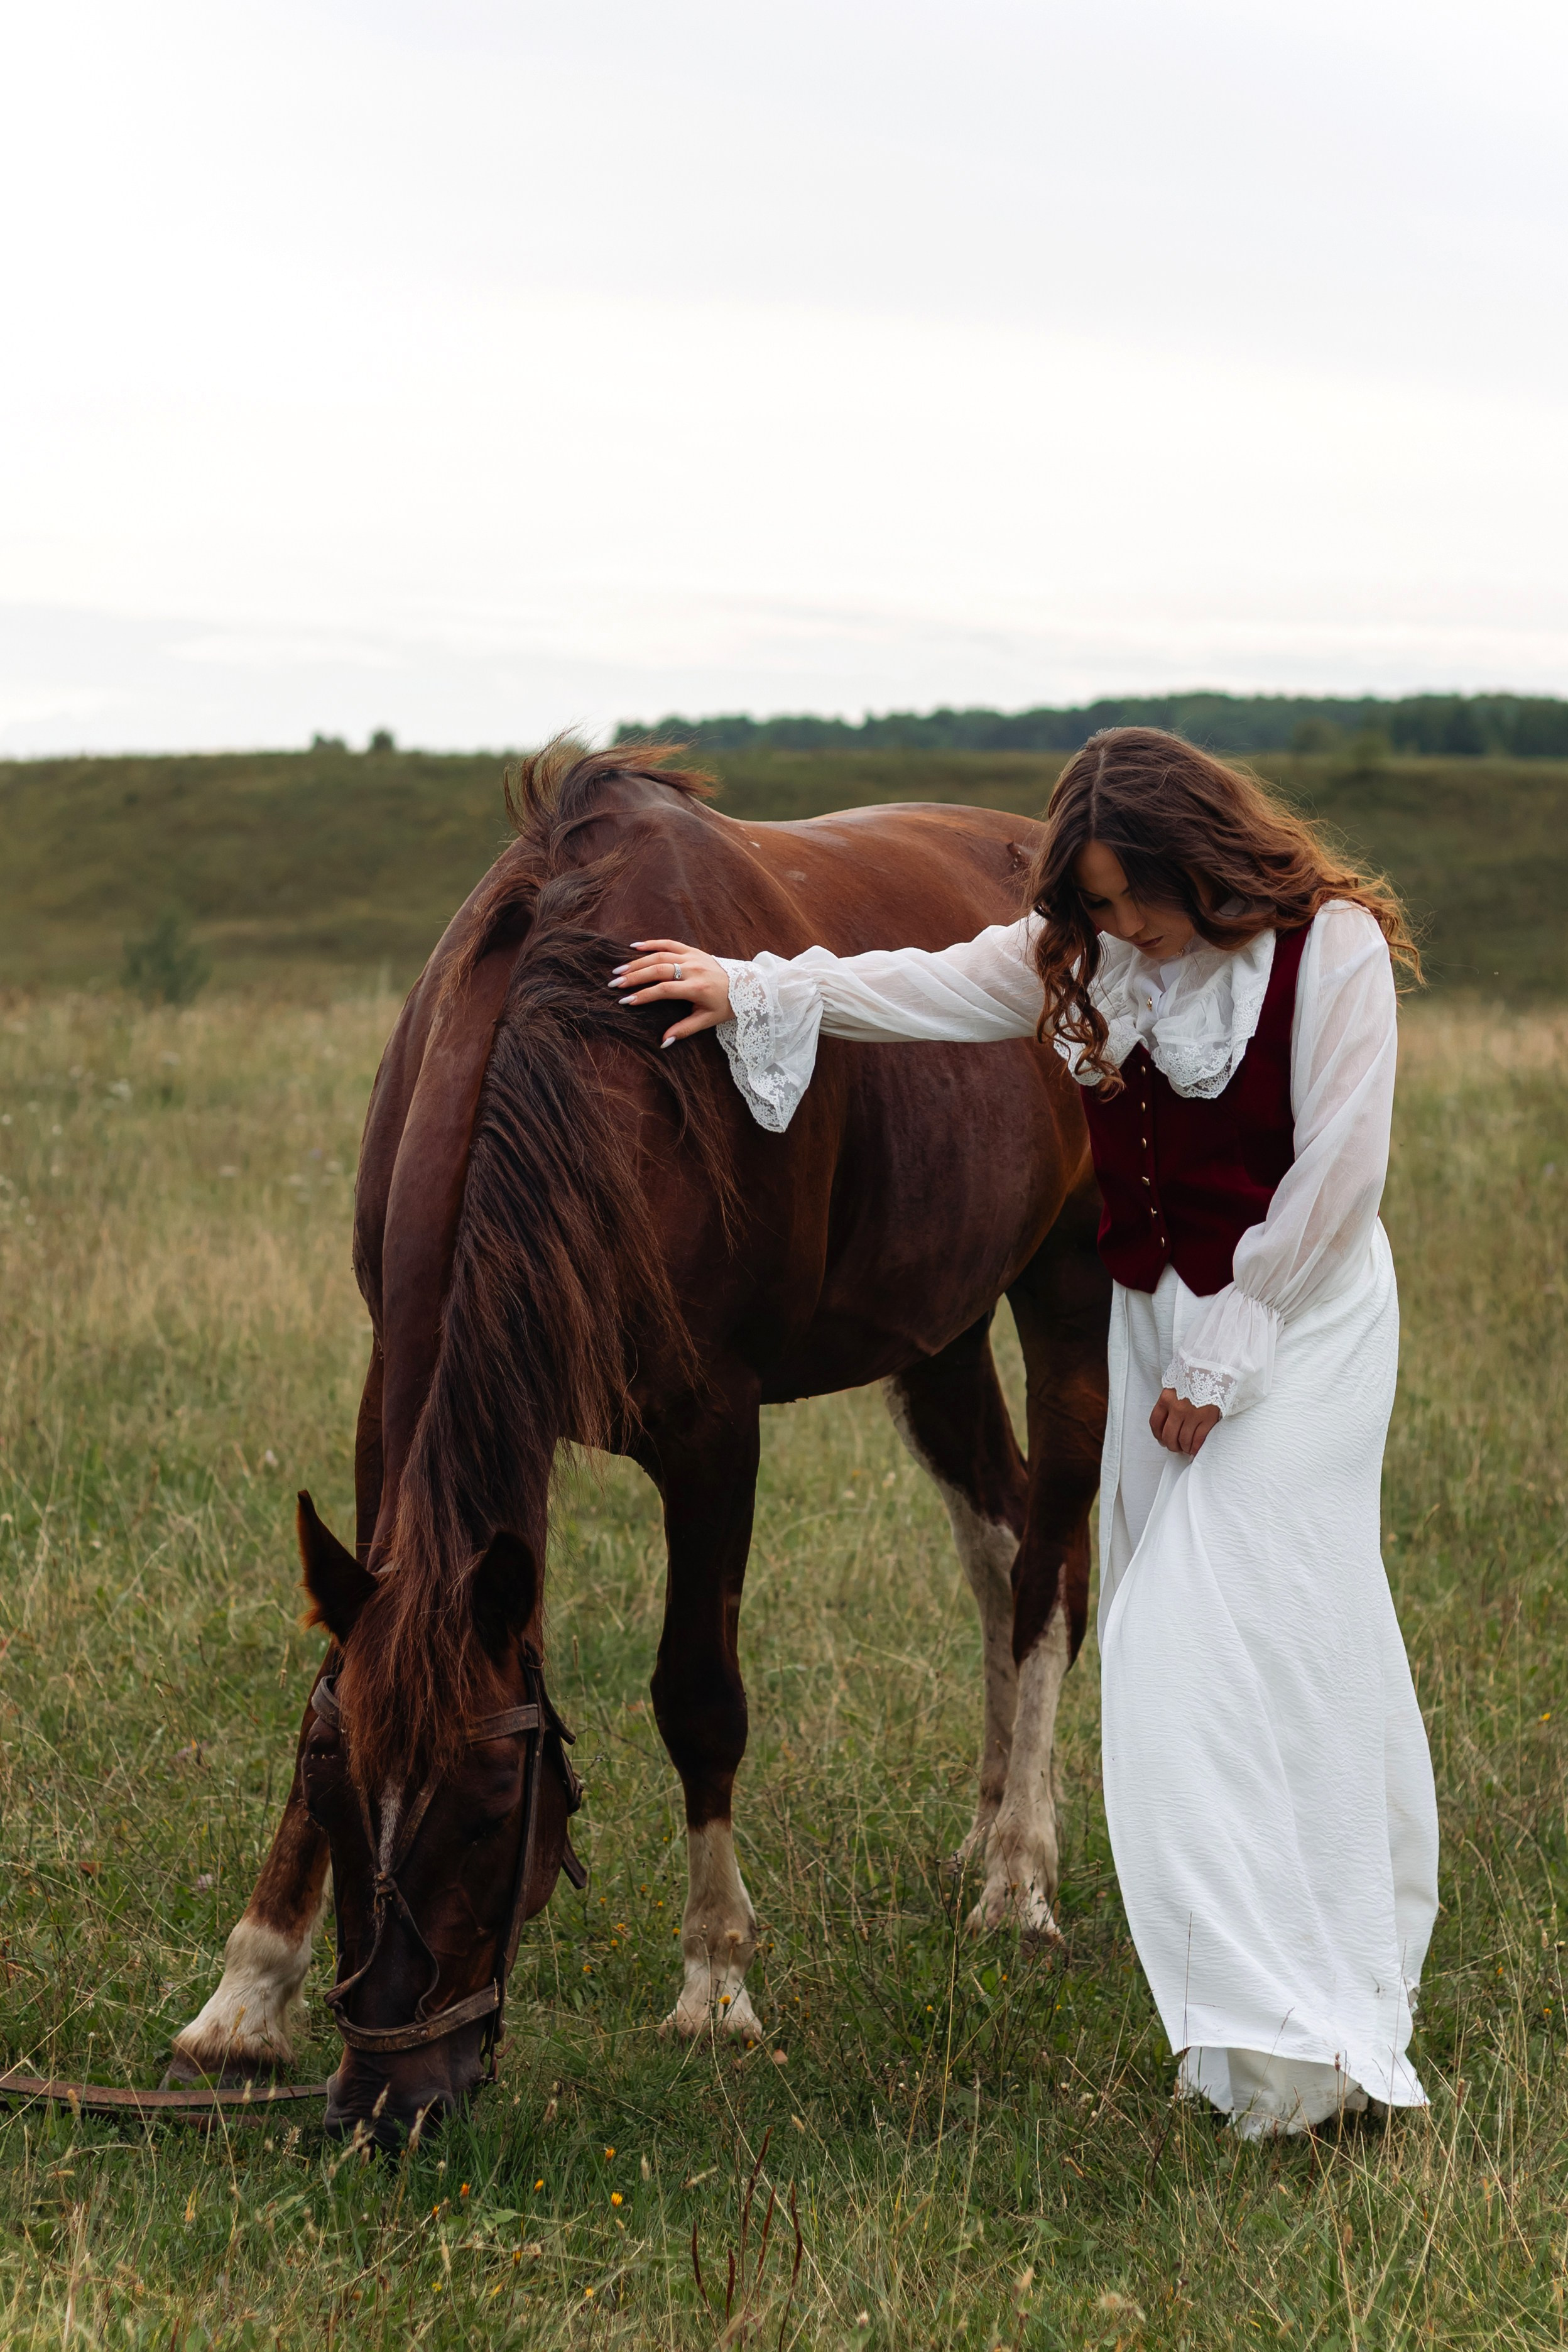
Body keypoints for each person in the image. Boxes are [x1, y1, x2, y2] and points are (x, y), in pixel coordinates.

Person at [610, 725, 1440, 2140]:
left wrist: (1234, 1345)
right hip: (1164, 1328)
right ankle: (1273, 2052)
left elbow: (1343, 1169)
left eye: (1136, 896)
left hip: (1297, 1329)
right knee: (1218, 1651)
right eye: (1097, 904)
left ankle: (1330, 2009)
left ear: (1202, 857)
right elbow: (919, 986)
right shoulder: (1090, 960)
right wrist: (752, 983)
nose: (1124, 927)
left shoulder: (1333, 952)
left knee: (1230, 1640)